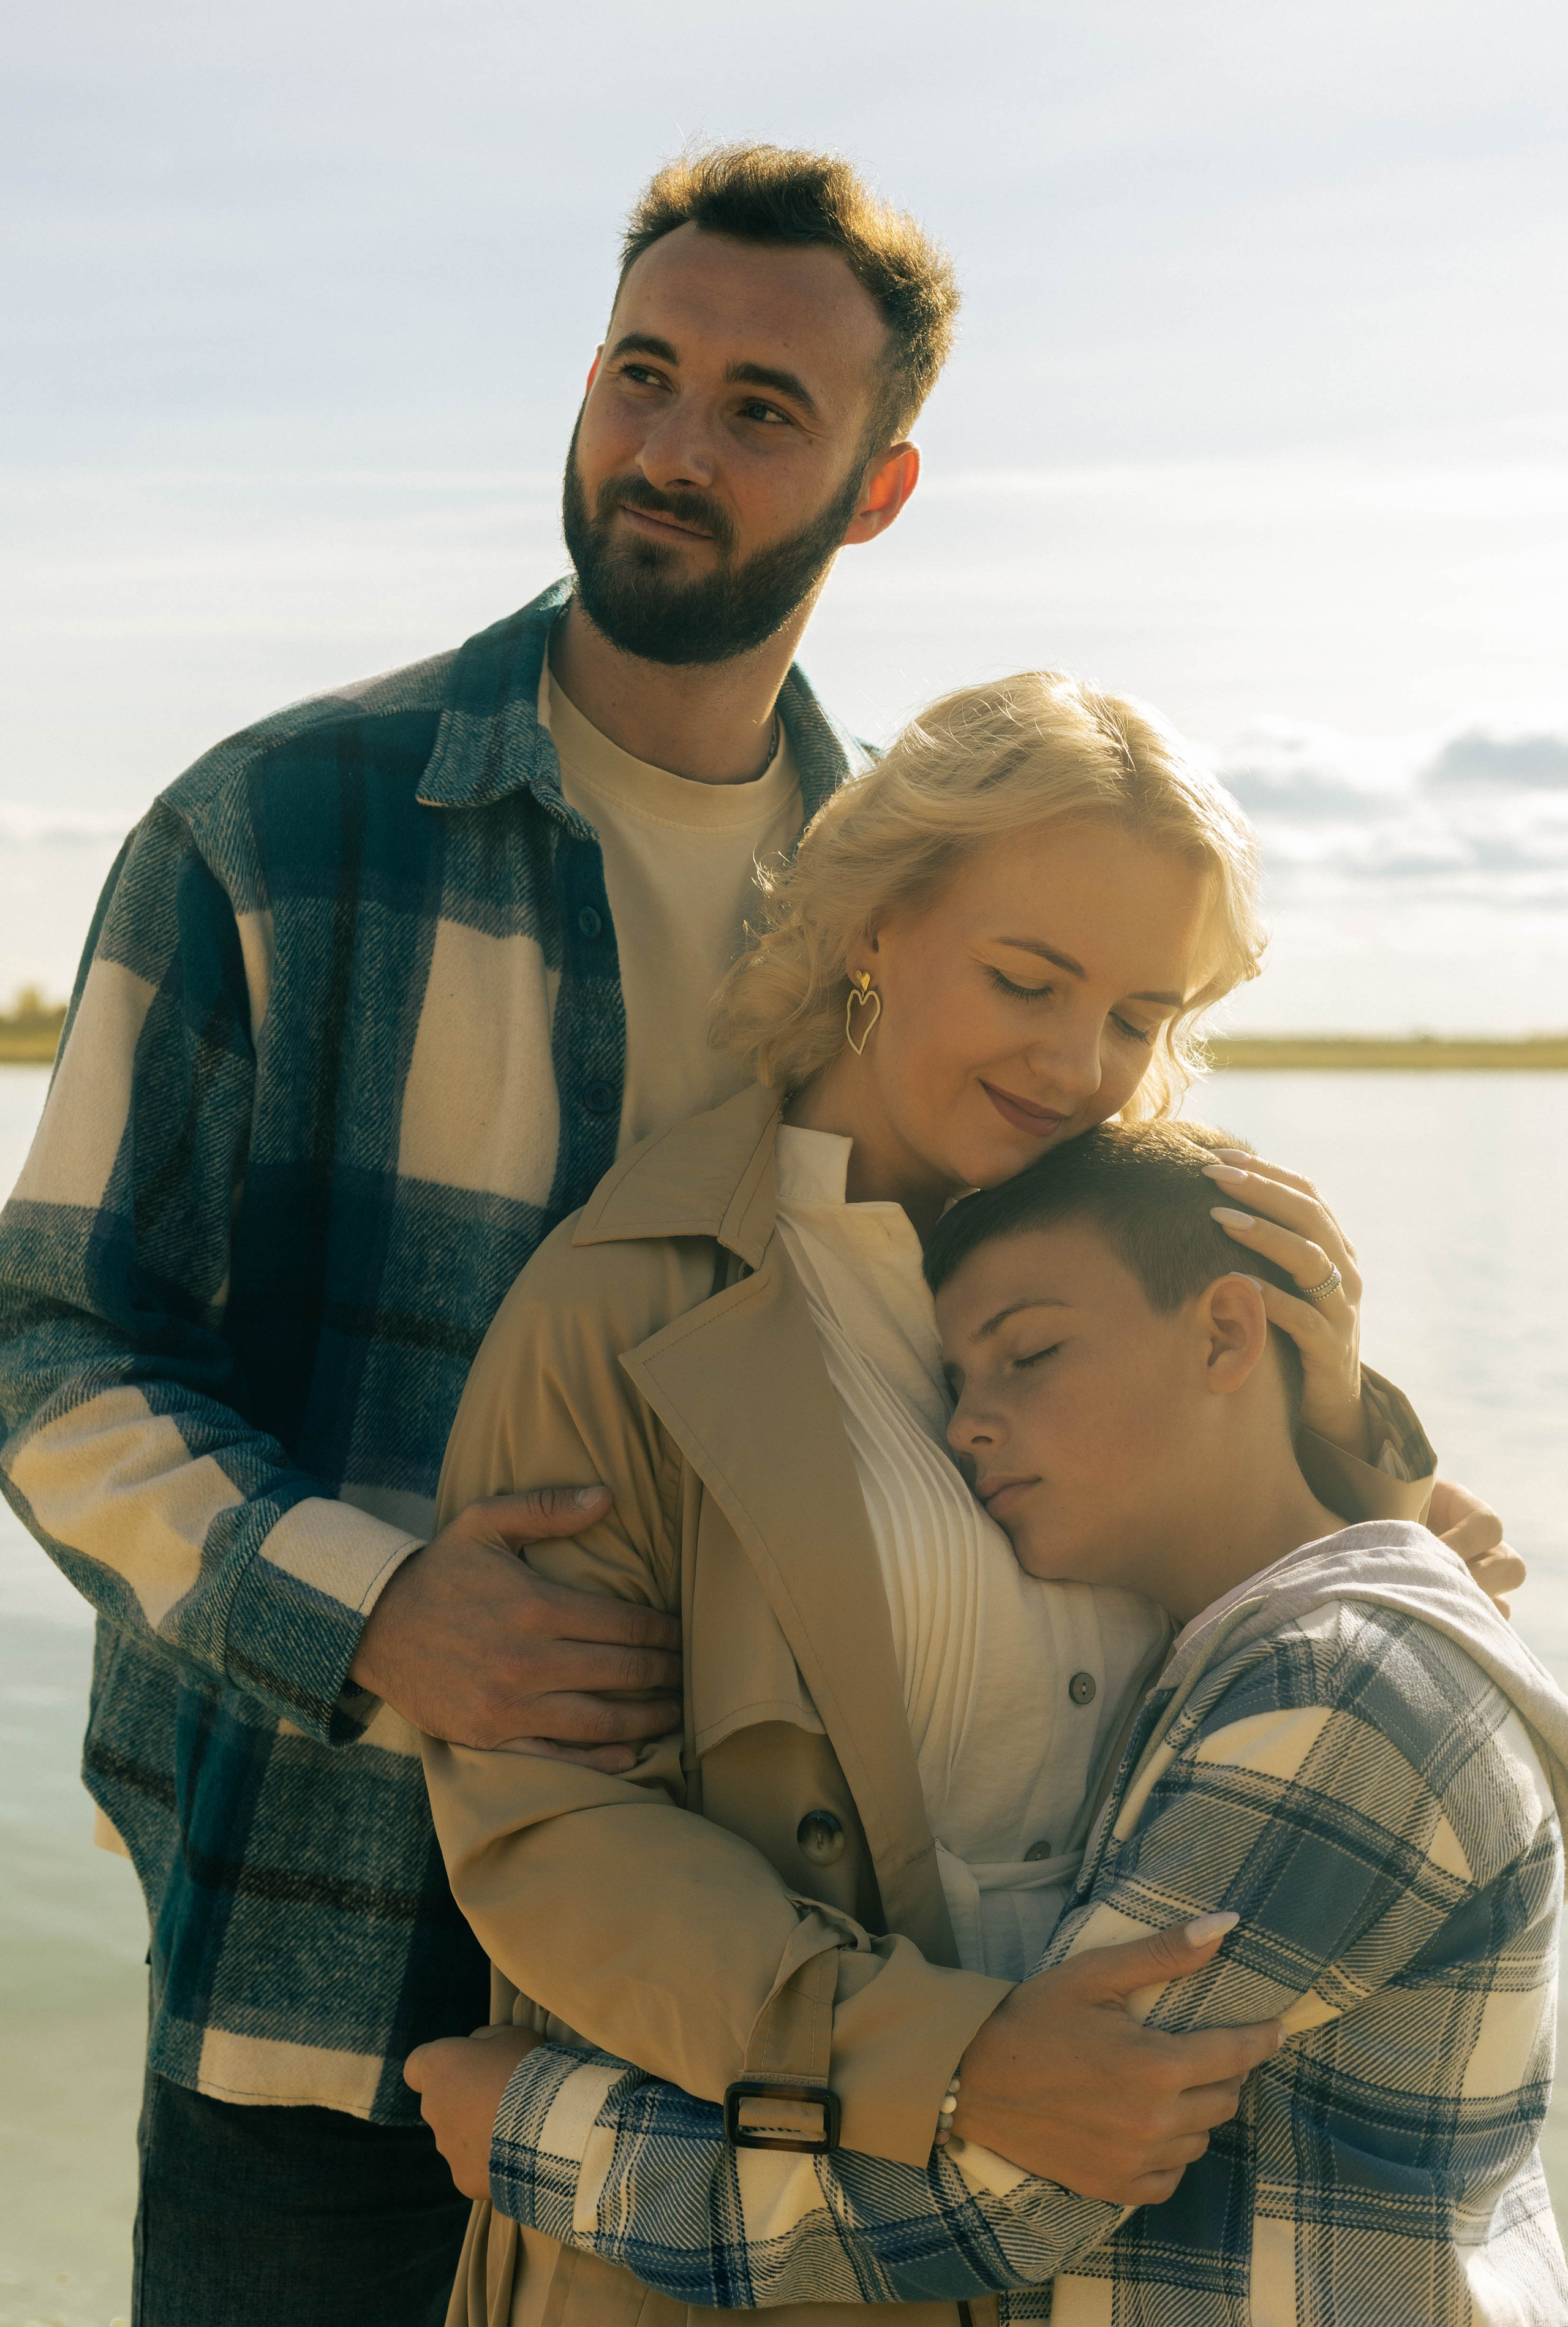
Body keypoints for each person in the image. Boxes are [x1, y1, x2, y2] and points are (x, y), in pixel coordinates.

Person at [0, 145, 963, 2325]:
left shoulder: (920, 910)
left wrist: (1324, 1494)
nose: (671, 446)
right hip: (313, 1964)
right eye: (644, 371)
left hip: (762, 1998)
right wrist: (373, 1609)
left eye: (759, 409)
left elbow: (1044, 1340)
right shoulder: (273, 829)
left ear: (876, 491)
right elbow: (46, 1347)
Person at [410, 668, 1512, 2327]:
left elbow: (1334, 1671)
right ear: (873, 924)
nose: (1084, 1062)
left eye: (1142, 1016)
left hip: (1112, 2253)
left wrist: (1352, 1436)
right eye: (1028, 978)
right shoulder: (624, 1305)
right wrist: (952, 2060)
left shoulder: (1171, 1265)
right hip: (737, 2246)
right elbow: (555, 1835)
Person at [418, 1122, 1568, 2325]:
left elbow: (1020, 2190)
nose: (966, 1425)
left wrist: (538, 2133)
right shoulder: (1271, 1661)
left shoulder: (1329, 1698)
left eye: (1028, 1355)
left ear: (1226, 1332)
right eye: (955, 1385)